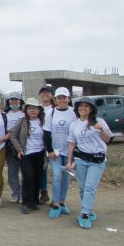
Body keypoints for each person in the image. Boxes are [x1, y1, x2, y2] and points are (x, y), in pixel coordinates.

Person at [67, 97, 113, 229]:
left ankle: (85, 214)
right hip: (81, 159)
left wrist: (101, 130)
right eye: (81, 106)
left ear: (91, 109)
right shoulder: (74, 124)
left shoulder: (99, 121)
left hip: (97, 160)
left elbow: (107, 139)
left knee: (89, 187)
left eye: (86, 106)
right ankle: (88, 210)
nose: (83, 108)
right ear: (77, 108)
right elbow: (72, 144)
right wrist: (69, 161)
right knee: (82, 188)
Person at [43, 87, 76, 219]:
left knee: (66, 177)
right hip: (55, 152)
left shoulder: (74, 113)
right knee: (57, 176)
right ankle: (55, 203)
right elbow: (46, 133)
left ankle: (62, 202)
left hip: (69, 151)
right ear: (55, 99)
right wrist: (49, 150)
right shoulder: (50, 113)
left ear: (68, 98)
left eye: (64, 97)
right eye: (59, 98)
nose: (62, 100)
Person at [10, 98, 46, 214]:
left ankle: (34, 201)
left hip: (40, 153)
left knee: (37, 177)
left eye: (35, 108)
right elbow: (13, 136)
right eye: (30, 108)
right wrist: (19, 150)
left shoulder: (44, 122)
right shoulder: (22, 121)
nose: (32, 110)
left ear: (39, 110)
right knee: (28, 176)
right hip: (26, 154)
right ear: (26, 110)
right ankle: (26, 203)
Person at [5, 92, 25, 204]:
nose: (14, 102)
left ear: (20, 101)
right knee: (12, 172)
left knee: (23, 172)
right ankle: (15, 193)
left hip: (22, 146)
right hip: (9, 147)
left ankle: (22, 194)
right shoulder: (5, 114)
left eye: (16, 100)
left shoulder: (23, 114)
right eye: (11, 100)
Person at [38, 85, 55, 204]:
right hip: (40, 143)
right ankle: (43, 192)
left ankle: (58, 198)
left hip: (55, 143)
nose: (45, 95)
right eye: (43, 92)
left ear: (51, 95)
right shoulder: (37, 108)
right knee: (42, 169)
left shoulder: (56, 108)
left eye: (47, 92)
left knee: (56, 171)